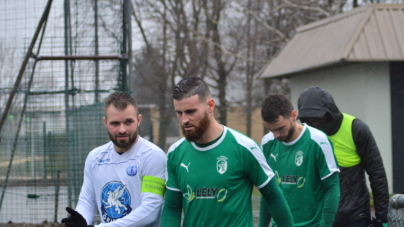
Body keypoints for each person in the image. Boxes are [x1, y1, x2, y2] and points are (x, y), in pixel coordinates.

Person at [161, 76, 294, 227]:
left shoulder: (244, 147)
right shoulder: (175, 153)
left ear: (210, 105)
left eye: (191, 111)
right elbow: (172, 208)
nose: (184, 119)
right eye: (179, 113)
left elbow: (274, 197)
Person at [61, 92, 167, 227]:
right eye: (115, 123)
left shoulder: (153, 156)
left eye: (128, 122)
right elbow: (87, 201)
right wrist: (81, 220)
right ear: (105, 122)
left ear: (139, 120)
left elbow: (150, 211)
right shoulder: (95, 158)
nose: (122, 130)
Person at [297, 86, 389, 227]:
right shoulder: (305, 135)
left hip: (355, 215)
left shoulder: (356, 129)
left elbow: (377, 174)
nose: (314, 123)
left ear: (330, 111)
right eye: (309, 119)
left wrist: (382, 217)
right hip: (321, 216)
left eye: (317, 117)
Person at [259, 94, 340, 227]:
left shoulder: (318, 141)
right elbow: (267, 191)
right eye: (271, 129)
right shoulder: (267, 142)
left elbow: (332, 188)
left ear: (293, 115)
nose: (276, 135)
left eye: (280, 128)